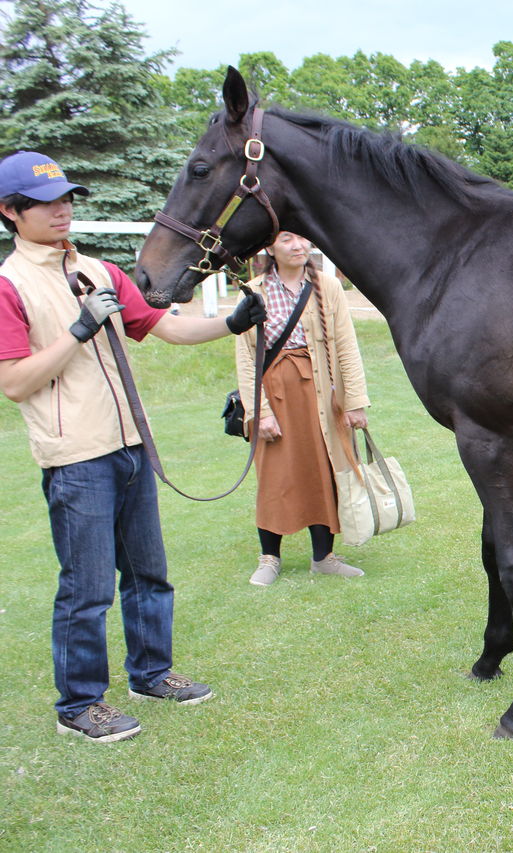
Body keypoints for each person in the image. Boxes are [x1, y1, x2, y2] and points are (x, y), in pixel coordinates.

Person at [0, 150, 267, 742]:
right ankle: (79, 704)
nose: (62, 210)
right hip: (74, 457)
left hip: (127, 447)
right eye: (46, 203)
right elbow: (15, 381)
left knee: (150, 574)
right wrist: (78, 329)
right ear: (11, 212)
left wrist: (231, 323)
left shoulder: (97, 270)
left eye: (67, 198)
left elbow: (164, 326)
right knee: (86, 587)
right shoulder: (8, 285)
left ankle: (152, 672)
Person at [235, 230, 371, 586]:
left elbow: (345, 345)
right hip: (273, 394)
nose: (297, 246)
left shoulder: (328, 285)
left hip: (320, 395)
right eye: (286, 239)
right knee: (275, 474)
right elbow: (246, 356)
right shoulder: (253, 291)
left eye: (301, 238)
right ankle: (269, 558)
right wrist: (258, 411)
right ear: (270, 247)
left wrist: (354, 401)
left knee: (321, 470)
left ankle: (323, 557)